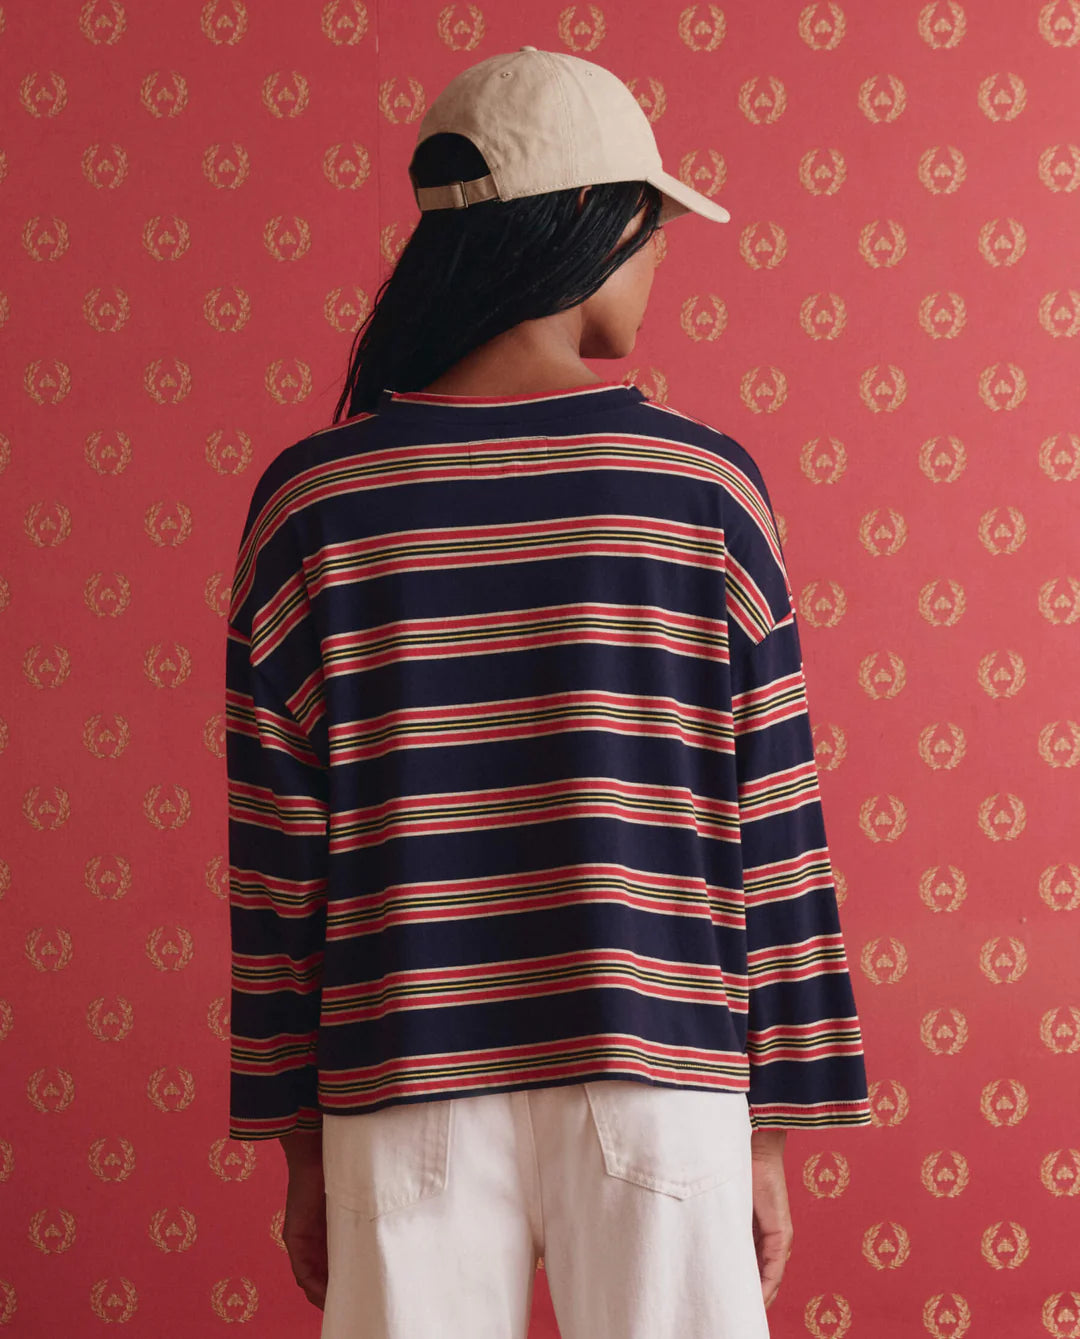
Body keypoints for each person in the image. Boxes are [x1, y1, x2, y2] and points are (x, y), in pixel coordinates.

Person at [225, 46, 871, 1339]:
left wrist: (297, 1139)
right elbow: (776, 829)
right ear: (594, 221)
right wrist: (771, 1130)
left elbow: (277, 860)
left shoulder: (313, 506)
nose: (661, 263)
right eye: (654, 228)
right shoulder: (703, 492)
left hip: (400, 1076)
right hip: (658, 1062)